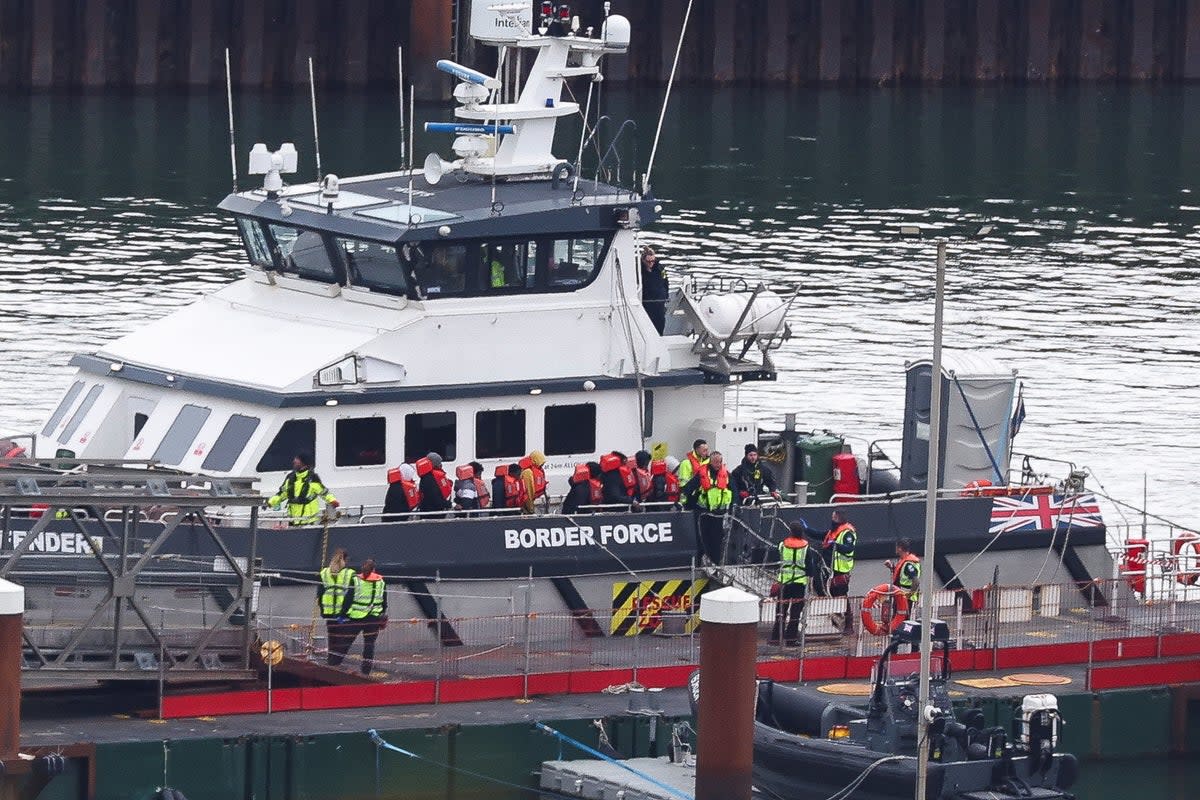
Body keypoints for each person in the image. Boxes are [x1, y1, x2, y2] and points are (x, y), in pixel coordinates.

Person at [770, 523, 825, 646]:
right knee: (795, 613)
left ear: (790, 531)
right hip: (799, 584)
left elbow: (777, 561)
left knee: (780, 611)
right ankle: (791, 639)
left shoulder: (782, 545)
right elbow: (810, 568)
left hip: (784, 582)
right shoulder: (806, 547)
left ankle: (775, 638)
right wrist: (813, 585)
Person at [331, 558, 388, 675]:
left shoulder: (356, 580)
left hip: (356, 617)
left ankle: (335, 664)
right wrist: (382, 614)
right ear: (373, 569)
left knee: (346, 641)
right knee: (369, 645)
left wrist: (342, 615)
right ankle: (366, 671)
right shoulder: (381, 582)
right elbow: (384, 601)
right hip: (374, 618)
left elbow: (348, 599)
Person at [266, 452, 339, 526]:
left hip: (309, 522)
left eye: (297, 459)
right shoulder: (290, 478)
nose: (294, 461)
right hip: (292, 521)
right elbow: (282, 494)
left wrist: (332, 500)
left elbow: (324, 493)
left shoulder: (312, 478)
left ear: (304, 463)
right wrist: (270, 502)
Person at [683, 451, 733, 559]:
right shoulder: (702, 474)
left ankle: (716, 562)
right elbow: (688, 488)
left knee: (717, 541)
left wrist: (734, 507)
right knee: (703, 539)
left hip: (719, 513)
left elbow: (734, 491)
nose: (717, 465)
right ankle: (701, 561)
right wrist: (683, 502)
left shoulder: (727, 475)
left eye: (719, 462)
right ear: (710, 461)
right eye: (715, 462)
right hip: (703, 513)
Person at [317, 548, 357, 665]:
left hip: (329, 613)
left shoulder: (324, 573)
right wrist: (344, 613)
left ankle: (331, 662)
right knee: (342, 640)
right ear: (345, 560)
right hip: (342, 614)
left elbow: (320, 593)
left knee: (332, 639)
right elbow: (351, 596)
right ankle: (336, 662)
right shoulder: (349, 573)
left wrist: (323, 610)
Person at [822, 509, 857, 598]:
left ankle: (846, 612)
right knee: (833, 592)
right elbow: (819, 534)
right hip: (834, 568)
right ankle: (840, 611)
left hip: (842, 569)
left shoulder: (847, 533)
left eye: (833, 517)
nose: (832, 519)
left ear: (838, 518)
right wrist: (806, 529)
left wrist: (835, 545)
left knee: (841, 593)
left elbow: (849, 548)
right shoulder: (834, 531)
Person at [884, 538, 922, 614]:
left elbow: (916, 581)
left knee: (902, 620)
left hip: (905, 598)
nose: (895, 549)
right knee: (898, 619)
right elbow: (901, 575)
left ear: (900, 549)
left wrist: (909, 594)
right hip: (900, 596)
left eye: (896, 547)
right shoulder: (904, 561)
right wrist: (891, 567)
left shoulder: (908, 564)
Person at [640, 246, 669, 334]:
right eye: (648, 261)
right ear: (643, 260)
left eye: (653, 261)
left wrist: (665, 295)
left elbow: (665, 281)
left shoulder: (661, 268)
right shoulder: (639, 270)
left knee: (660, 323)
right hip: (647, 302)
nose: (651, 263)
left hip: (659, 301)